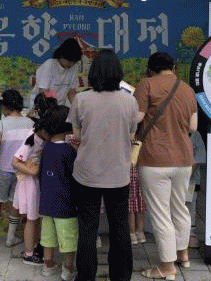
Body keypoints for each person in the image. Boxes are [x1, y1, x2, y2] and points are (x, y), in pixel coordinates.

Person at [67, 49, 138, 281]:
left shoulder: (81, 99)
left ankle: (86, 276)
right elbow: (131, 136)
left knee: (88, 227)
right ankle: (121, 276)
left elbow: (77, 135)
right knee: (120, 228)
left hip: (87, 173)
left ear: (94, 72)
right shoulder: (130, 101)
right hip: (118, 174)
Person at [133, 52, 198, 280]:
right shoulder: (187, 89)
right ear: (173, 67)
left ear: (150, 69)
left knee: (161, 214)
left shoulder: (146, 85)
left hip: (155, 158)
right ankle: (183, 254)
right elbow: (193, 126)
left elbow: (137, 117)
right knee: (179, 207)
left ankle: (166, 267)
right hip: (183, 158)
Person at [0, 89, 35, 247]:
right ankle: (10, 238)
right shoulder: (30, 124)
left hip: (3, 169)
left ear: (4, 107)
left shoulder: (1, 124)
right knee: (14, 202)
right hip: (21, 170)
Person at [37, 105, 78, 281]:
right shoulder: (68, 151)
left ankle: (48, 265)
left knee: (48, 236)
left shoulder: (46, 147)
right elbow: (75, 175)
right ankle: (68, 269)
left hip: (46, 202)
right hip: (65, 204)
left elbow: (41, 173)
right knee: (68, 237)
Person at [12, 119, 49, 265]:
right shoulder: (31, 140)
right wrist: (32, 172)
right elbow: (15, 162)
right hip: (29, 184)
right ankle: (28, 254)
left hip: (34, 183)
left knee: (35, 218)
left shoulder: (41, 138)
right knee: (31, 219)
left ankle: (33, 247)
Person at [32, 37, 82, 106]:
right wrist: (52, 108)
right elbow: (43, 92)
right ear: (61, 55)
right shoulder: (49, 65)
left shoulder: (74, 67)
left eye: (74, 62)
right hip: (43, 106)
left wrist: (77, 107)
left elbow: (71, 92)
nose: (71, 64)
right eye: (69, 61)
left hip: (59, 107)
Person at [128, 166, 147, 245]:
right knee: (140, 203)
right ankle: (140, 232)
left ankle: (132, 233)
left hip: (128, 172)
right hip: (140, 171)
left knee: (130, 205)